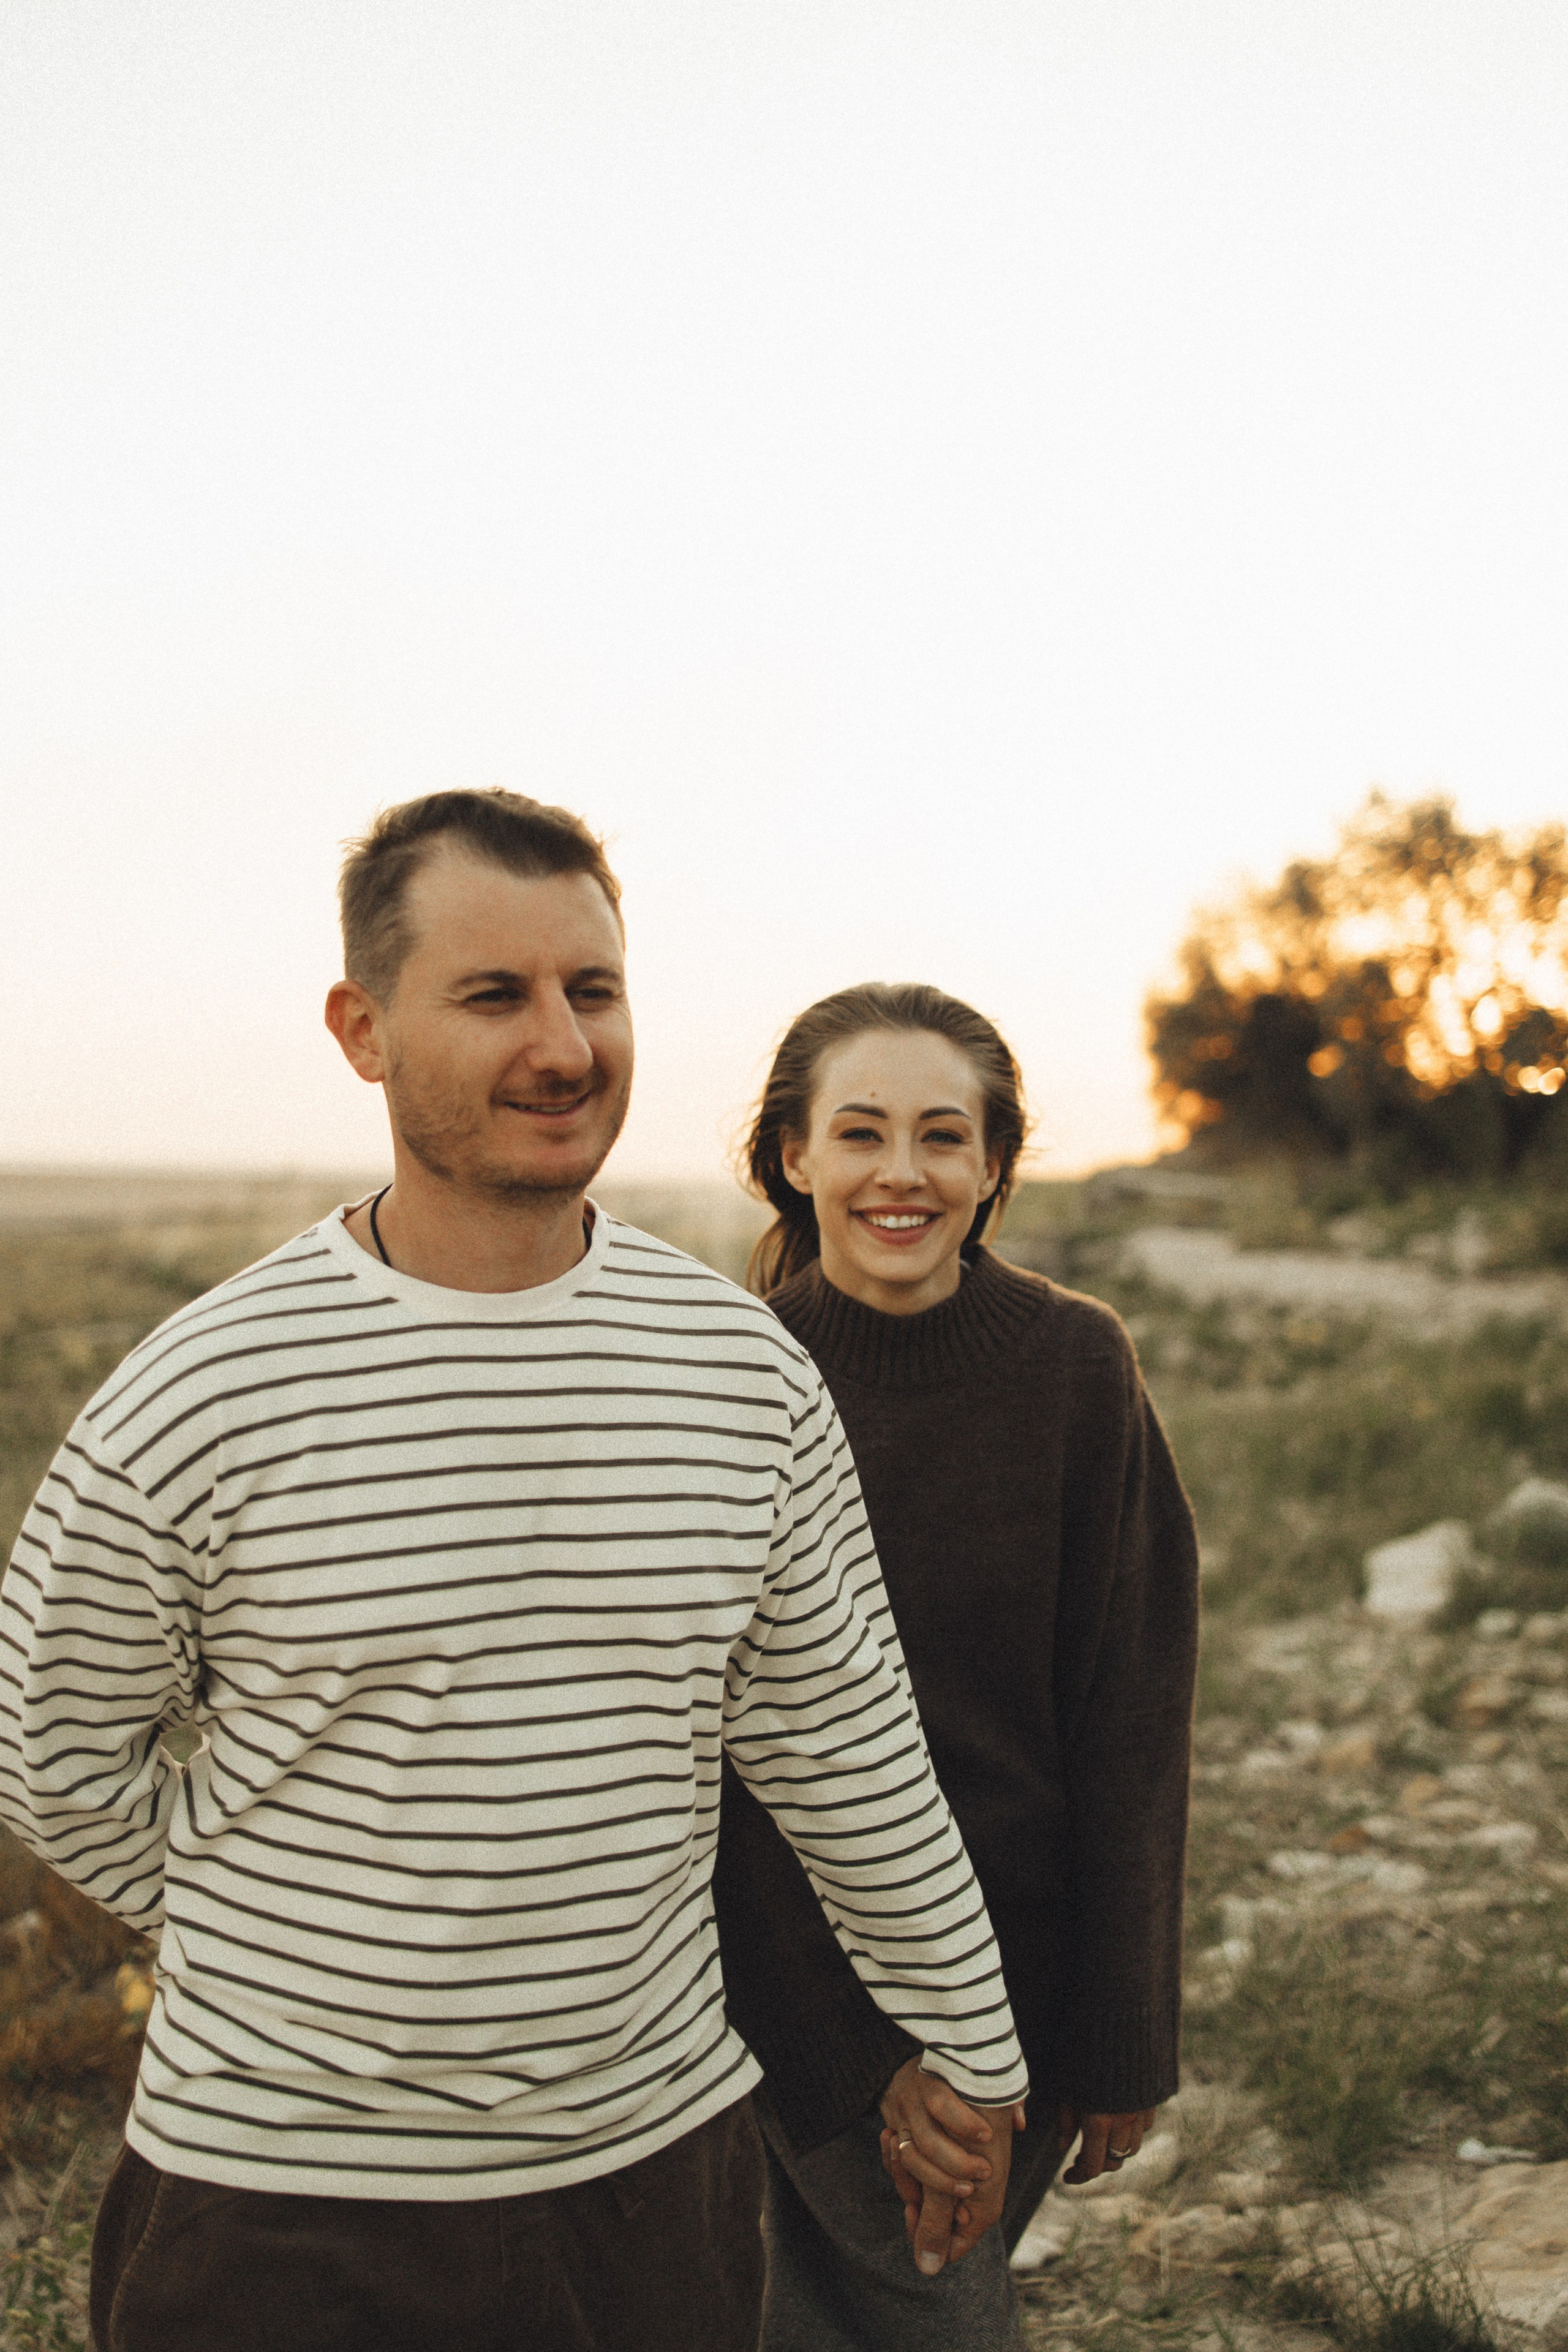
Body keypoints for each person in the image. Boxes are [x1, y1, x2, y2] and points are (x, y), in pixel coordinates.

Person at [0, 797, 1029, 2352]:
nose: (562, 1048)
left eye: (592, 991)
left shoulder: (742, 1377)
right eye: (494, 997)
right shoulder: (202, 1393)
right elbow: (52, 1750)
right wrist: (273, 1941)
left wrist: (971, 2045)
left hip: (652, 2188)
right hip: (279, 2206)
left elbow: (842, 1755)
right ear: (362, 1029)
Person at [712, 981, 1200, 2350]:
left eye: (942, 1137)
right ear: (793, 1158)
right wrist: (860, 2068)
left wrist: (1120, 2037)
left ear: (991, 1168)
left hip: (1022, 2002)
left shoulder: (1075, 1369)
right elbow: (712, 1780)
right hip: (777, 2009)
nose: (901, 1174)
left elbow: (1130, 1717)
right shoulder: (725, 1388)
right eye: (859, 1134)